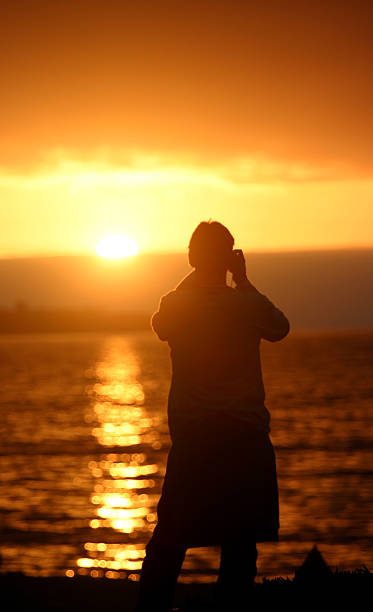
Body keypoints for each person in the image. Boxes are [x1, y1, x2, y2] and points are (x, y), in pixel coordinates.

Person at [134, 221, 290, 611]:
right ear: (230, 258)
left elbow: (160, 325)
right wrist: (243, 281)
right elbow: (279, 327)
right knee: (240, 543)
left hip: (196, 441)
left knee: (169, 540)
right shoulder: (247, 304)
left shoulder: (178, 304)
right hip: (245, 439)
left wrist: (197, 275)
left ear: (191, 257)